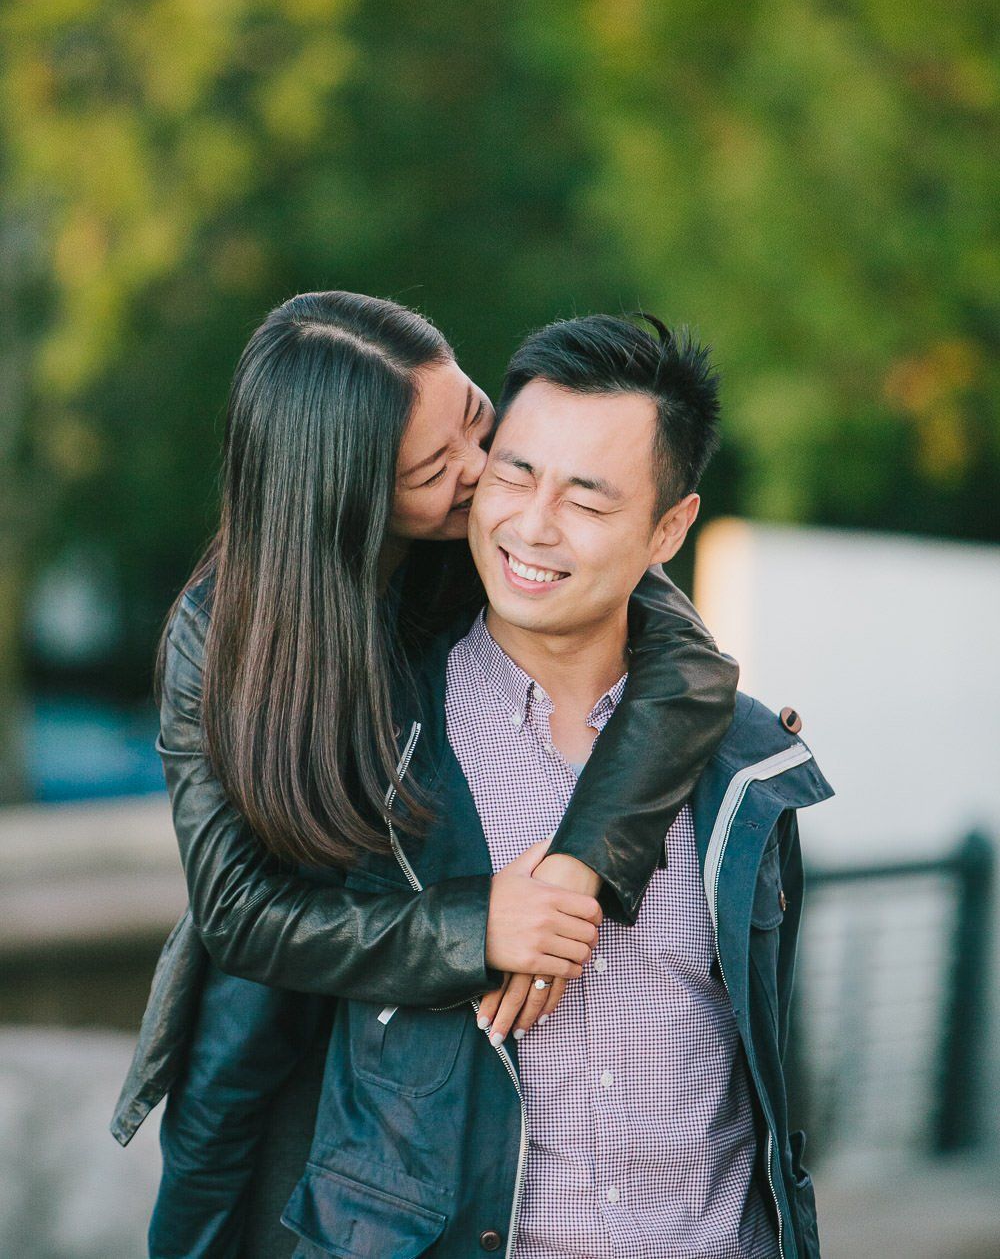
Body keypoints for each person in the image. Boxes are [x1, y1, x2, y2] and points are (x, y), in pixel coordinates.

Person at [110, 292, 740, 1256]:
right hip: (286, 951)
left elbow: (690, 668)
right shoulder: (222, 633)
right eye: (436, 470)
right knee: (219, 1140)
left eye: (476, 420)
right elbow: (236, 909)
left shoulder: (502, 545)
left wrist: (580, 863)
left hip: (418, 905)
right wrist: (473, 924)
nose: (485, 473)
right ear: (351, 497)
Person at [275, 313, 832, 1259]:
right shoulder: (371, 737)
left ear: (668, 528)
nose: (531, 525)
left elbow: (765, 1081)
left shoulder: (746, 769)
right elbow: (261, 974)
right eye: (514, 472)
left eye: (587, 498)